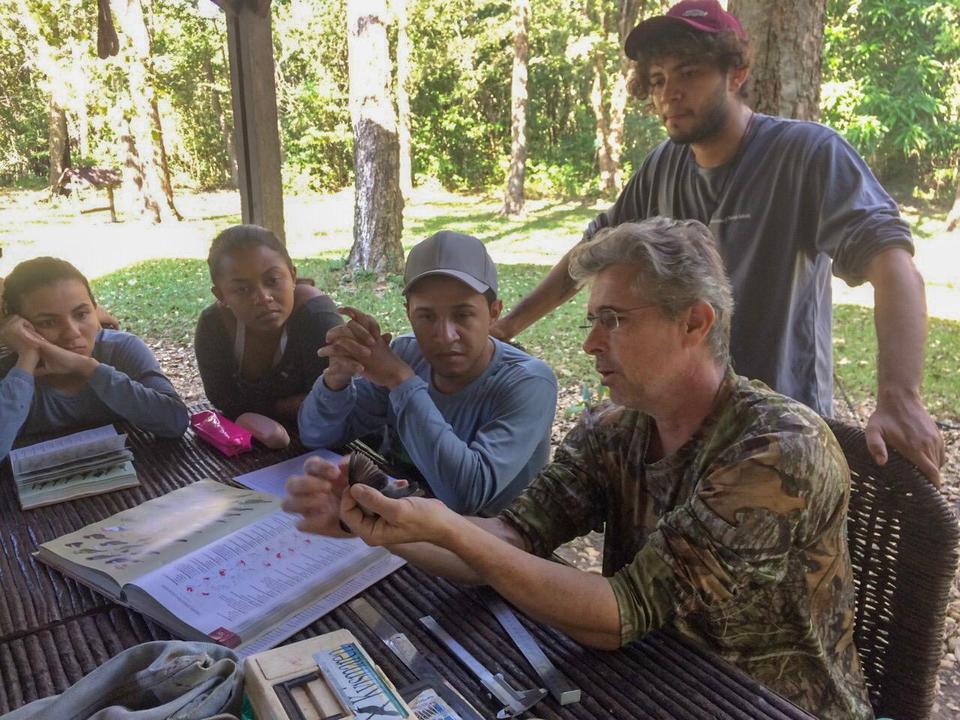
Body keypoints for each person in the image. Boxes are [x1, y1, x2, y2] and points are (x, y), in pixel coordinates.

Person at [284, 218, 873, 720]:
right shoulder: (615, 429)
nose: (590, 343)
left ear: (694, 323)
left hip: (761, 701)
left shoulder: (777, 451)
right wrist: (378, 521)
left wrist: (446, 526)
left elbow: (618, 613)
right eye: (592, 319)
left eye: (613, 319)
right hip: (646, 676)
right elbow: (512, 536)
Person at [489, 0, 944, 485]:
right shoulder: (663, 166)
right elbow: (588, 256)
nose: (671, 93)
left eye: (689, 72)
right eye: (659, 78)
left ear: (736, 72)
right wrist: (510, 326)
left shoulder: (805, 154)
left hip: (778, 434)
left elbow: (893, 265)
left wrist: (900, 397)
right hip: (678, 423)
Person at [298, 230, 558, 515]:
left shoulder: (529, 383)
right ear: (409, 312)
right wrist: (337, 380)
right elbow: (316, 435)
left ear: (493, 313)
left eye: (463, 315)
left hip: (485, 543)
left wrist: (401, 381)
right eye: (427, 316)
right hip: (399, 521)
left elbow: (467, 496)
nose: (445, 336)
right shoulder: (407, 353)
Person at [0, 257, 188, 461]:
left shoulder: (121, 350)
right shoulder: (11, 376)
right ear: (20, 328)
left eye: (81, 314)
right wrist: (27, 359)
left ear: (95, 310)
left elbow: (175, 422)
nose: (72, 333)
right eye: (48, 322)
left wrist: (87, 368)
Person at [194, 225, 343, 421]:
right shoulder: (214, 326)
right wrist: (290, 405)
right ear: (221, 295)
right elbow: (223, 399)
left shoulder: (316, 317)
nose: (263, 298)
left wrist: (260, 408)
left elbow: (332, 404)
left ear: (292, 275)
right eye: (242, 289)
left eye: (272, 280)